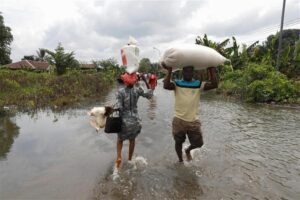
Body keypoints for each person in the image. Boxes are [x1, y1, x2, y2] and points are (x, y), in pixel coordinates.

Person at [162, 63, 218, 163]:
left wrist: (211, 69)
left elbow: (214, 85)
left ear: (193, 72)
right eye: (186, 71)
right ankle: (180, 161)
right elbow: (166, 85)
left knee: (199, 143)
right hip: (179, 119)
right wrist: (169, 70)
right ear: (182, 72)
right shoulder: (177, 83)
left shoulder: (198, 84)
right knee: (178, 142)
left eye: (190, 71)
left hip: (193, 120)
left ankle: (188, 150)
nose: (188, 73)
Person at [114, 72, 153, 168]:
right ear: (135, 81)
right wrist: (145, 80)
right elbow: (149, 95)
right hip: (135, 121)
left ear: (125, 81)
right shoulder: (138, 90)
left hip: (124, 122)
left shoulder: (120, 92)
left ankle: (119, 157)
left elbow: (119, 107)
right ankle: (130, 159)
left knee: (120, 139)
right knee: (132, 140)